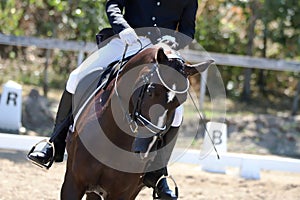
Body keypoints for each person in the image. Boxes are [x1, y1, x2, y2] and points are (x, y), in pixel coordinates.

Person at [28, 0, 198, 199]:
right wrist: (123, 28)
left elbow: (187, 30)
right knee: (77, 76)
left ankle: (158, 173)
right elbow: (114, 5)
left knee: (177, 111)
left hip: (162, 53)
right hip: (127, 40)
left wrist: (174, 42)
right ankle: (54, 142)